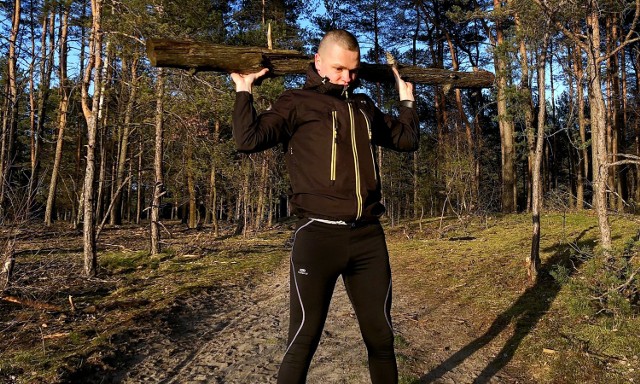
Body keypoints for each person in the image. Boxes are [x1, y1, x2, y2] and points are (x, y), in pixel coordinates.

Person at [231, 29, 419, 384]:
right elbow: (248, 139)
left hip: (368, 240)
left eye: (352, 71)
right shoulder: (296, 102)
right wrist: (244, 90)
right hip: (316, 238)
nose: (346, 78)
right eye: (338, 69)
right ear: (317, 61)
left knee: (381, 338)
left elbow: (406, 140)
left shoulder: (363, 107)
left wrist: (406, 101)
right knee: (303, 339)